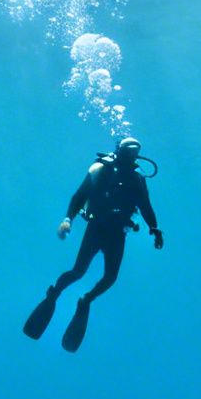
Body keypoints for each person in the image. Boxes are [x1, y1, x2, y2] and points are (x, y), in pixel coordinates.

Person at [24, 137, 161, 352]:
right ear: (120, 151)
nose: (131, 156)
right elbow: (79, 196)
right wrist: (68, 219)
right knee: (78, 271)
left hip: (118, 232)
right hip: (97, 227)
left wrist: (154, 228)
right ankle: (54, 294)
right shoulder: (101, 169)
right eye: (128, 152)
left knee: (110, 278)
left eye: (135, 153)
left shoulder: (137, 178)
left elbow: (145, 206)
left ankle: (86, 300)